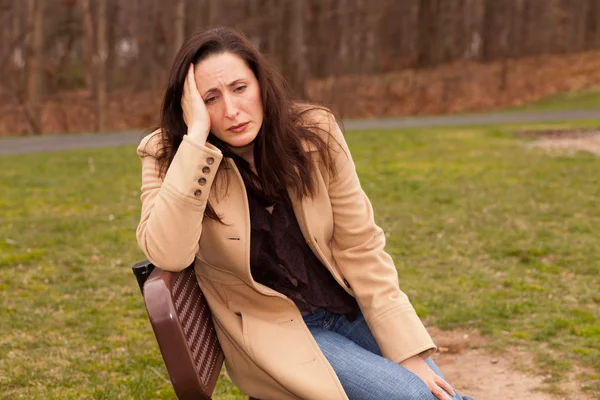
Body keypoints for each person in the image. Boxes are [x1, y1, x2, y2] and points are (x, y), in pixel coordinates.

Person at [136, 27, 473, 400]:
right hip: (280, 332)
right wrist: (196, 138)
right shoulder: (170, 157)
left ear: (261, 83)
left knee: (440, 395)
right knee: (413, 396)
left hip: (349, 310)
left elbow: (360, 244)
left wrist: (407, 353)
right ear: (189, 107)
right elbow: (167, 252)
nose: (231, 111)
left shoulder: (313, 132)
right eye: (210, 99)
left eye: (240, 88)